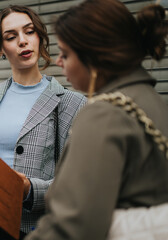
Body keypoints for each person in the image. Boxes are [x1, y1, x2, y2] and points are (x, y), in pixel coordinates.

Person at [25, 0, 168, 239]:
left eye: (66, 53)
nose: (59, 62)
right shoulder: (152, 101)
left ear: (94, 57)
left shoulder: (105, 114)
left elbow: (72, 226)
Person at [0, 5, 86, 240]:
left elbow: (76, 185)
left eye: (29, 31)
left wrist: (27, 189)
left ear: (40, 38)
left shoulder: (73, 103)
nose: (23, 41)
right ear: (1, 49)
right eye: (11, 36)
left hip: (35, 227)